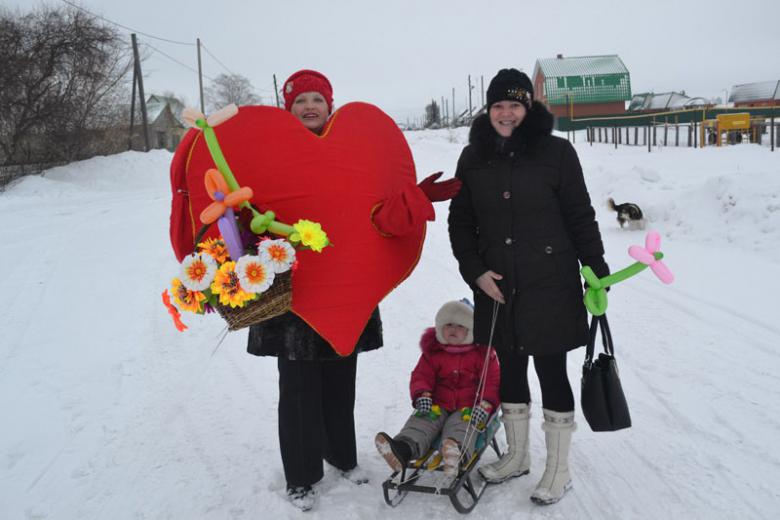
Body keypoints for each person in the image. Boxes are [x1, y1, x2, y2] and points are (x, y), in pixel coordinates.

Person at [246, 69, 461, 512]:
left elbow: (378, 215)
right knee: (299, 387)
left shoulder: (357, 152)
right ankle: (302, 477)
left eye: (317, 100)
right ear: (289, 107)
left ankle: (342, 456)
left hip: (347, 287)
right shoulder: (269, 153)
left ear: (329, 105)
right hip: (294, 294)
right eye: (300, 100)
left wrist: (412, 201)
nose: (309, 106)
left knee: (341, 381)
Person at [447, 68, 609, 505]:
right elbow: (461, 223)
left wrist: (596, 269)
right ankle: (517, 456)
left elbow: (580, 215)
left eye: (514, 105)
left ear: (528, 108)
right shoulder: (473, 157)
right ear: (489, 109)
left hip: (549, 284)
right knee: (511, 369)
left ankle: (559, 469)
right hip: (497, 286)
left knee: (551, 370)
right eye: (498, 105)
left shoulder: (557, 153)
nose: (506, 113)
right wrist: (475, 271)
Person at [374, 300, 499, 479]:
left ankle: (455, 453)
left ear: (470, 330)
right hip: (437, 403)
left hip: (468, 406)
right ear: (440, 328)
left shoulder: (482, 354)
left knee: (462, 426)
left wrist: (485, 405)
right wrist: (422, 394)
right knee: (422, 422)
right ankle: (402, 449)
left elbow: (492, 381)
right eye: (448, 325)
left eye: (459, 325)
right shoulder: (433, 352)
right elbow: (421, 376)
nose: (453, 330)